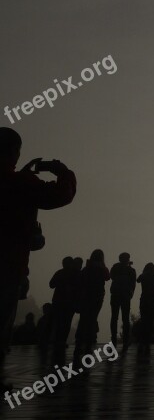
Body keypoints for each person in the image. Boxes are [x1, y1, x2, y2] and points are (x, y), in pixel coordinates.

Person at [0, 127, 76, 390]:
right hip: (8, 267)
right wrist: (61, 170)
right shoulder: (21, 184)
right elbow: (61, 194)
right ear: (13, 152)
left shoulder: (18, 181)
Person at [75, 249, 109, 353]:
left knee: (83, 318)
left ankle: (79, 340)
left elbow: (81, 280)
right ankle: (89, 341)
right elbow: (107, 277)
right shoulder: (102, 269)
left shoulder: (87, 268)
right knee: (92, 318)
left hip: (86, 296)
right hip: (97, 296)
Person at [109, 252, 136, 348]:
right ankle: (125, 340)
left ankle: (113, 339)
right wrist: (130, 293)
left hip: (115, 294)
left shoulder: (115, 267)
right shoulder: (131, 270)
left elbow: (111, 276)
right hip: (125, 295)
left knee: (114, 317)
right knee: (125, 318)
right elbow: (133, 284)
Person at [49, 256, 76, 351]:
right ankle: (62, 341)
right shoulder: (74, 274)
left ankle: (56, 340)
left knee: (58, 322)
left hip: (58, 301)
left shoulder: (59, 273)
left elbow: (51, 284)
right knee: (66, 323)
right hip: (69, 302)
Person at [137, 262, 154, 354]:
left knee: (144, 321)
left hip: (144, 300)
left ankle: (141, 342)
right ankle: (147, 342)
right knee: (150, 321)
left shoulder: (143, 276)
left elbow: (137, 280)